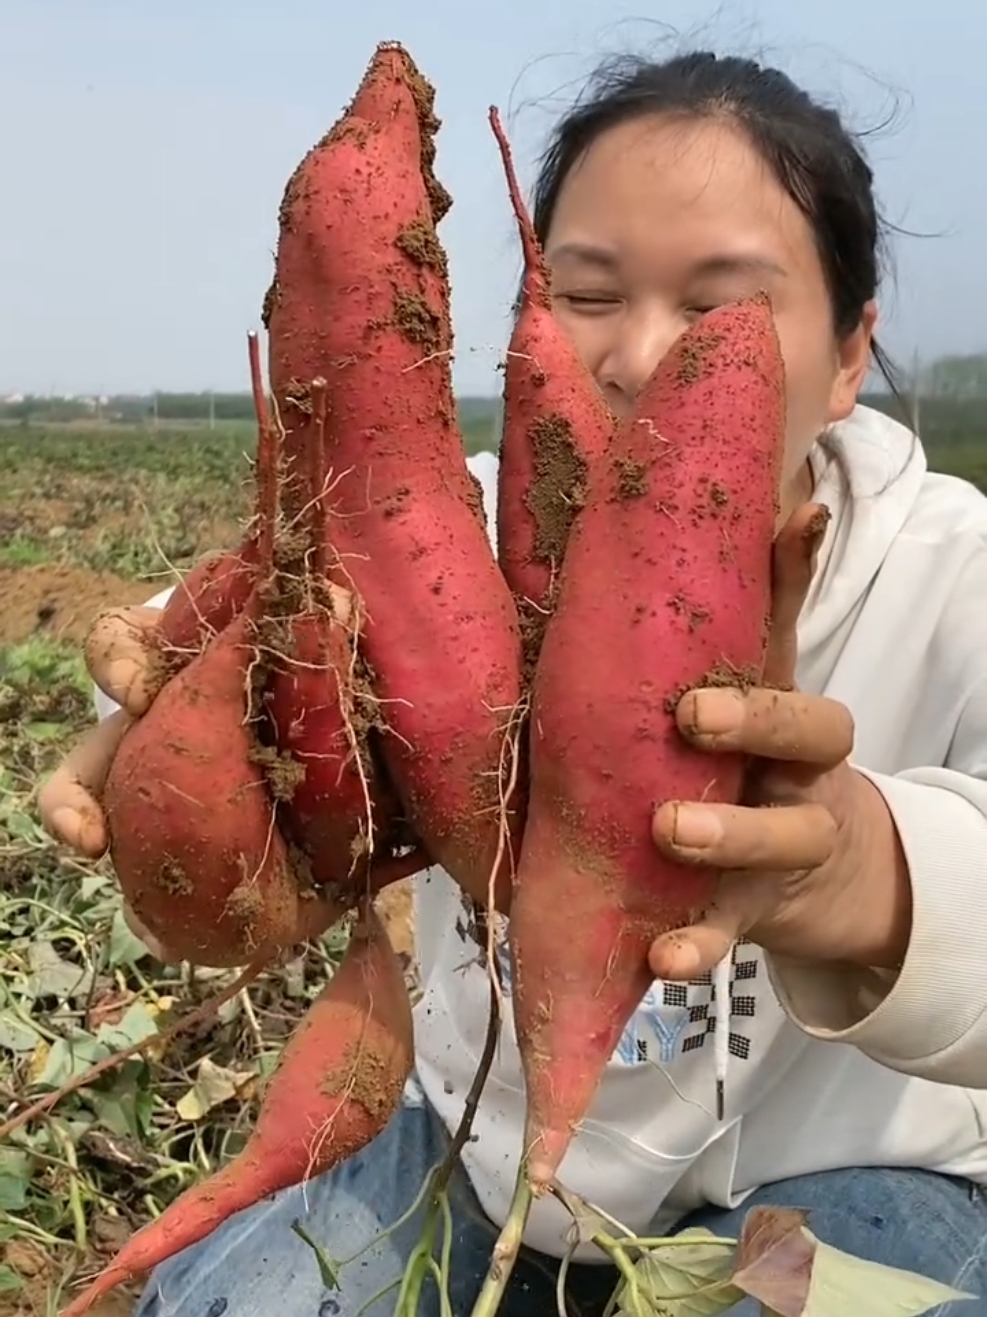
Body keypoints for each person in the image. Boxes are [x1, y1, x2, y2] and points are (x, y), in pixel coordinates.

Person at [39, 47, 987, 1317]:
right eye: (588, 294)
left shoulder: (957, 573)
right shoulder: (463, 528)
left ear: (850, 351)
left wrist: (870, 870)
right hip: (475, 1148)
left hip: (853, 1173)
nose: (641, 359)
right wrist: (173, 697)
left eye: (723, 308)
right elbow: (224, 612)